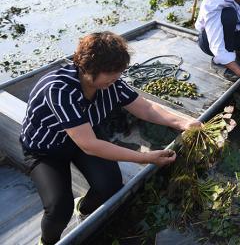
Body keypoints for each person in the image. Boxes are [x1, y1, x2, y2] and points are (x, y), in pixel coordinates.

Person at [20, 31, 200, 245]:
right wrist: (146, 158)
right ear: (87, 68)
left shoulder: (111, 84)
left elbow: (145, 108)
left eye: (119, 73)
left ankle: (84, 210)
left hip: (82, 138)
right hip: (45, 150)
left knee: (110, 184)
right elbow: (90, 145)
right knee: (59, 207)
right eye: (111, 74)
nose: (117, 79)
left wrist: (183, 122)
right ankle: (47, 242)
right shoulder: (59, 89)